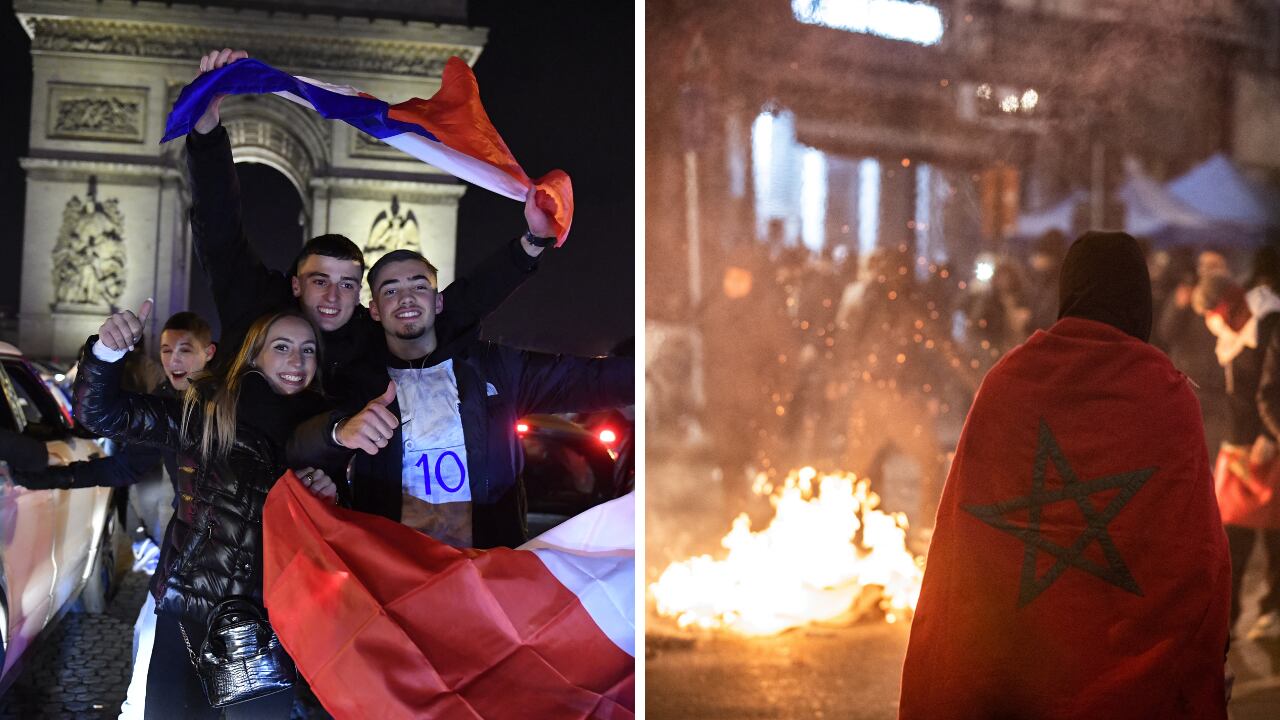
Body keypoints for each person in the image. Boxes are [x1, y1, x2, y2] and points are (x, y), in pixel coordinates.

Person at [899, 231, 1230, 720]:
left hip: (1017, 675)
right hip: (1133, 682)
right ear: (1139, 299)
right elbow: (1195, 553)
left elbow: (964, 540)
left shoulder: (1009, 381)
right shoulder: (1165, 395)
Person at [187, 49, 557, 409]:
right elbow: (219, 228)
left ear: (362, 291)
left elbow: (461, 304)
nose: (333, 297)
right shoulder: (255, 304)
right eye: (319, 281)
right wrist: (205, 130)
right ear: (295, 283)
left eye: (347, 284)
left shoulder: (375, 335)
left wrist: (533, 242)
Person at [73, 300, 338, 719]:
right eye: (282, 347)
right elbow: (101, 413)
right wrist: (106, 353)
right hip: (190, 615)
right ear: (254, 355)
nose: (297, 360)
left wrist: (333, 494)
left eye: (308, 350)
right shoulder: (207, 413)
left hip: (270, 626)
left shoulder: (329, 433)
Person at [288, 249, 634, 549]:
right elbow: (298, 446)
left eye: (419, 286)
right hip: (393, 576)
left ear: (439, 302)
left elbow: (590, 379)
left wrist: (666, 374)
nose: (406, 299)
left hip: (485, 572)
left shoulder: (496, 369)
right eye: (390, 290)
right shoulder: (356, 385)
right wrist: (339, 431)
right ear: (374, 309)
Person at [13, 310, 218, 719]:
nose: (174, 359)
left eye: (185, 350)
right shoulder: (162, 403)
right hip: (183, 552)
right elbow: (124, 464)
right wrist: (56, 477)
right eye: (166, 350)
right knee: (147, 647)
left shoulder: (232, 405)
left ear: (209, 354)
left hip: (234, 556)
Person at [1196, 245, 1280, 639]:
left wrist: (1271, 435)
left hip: (1268, 444)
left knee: (1274, 534)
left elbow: (1271, 388)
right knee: (1231, 538)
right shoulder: (1227, 331)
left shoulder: (1268, 323)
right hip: (1236, 445)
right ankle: (1225, 620)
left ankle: (1273, 606)